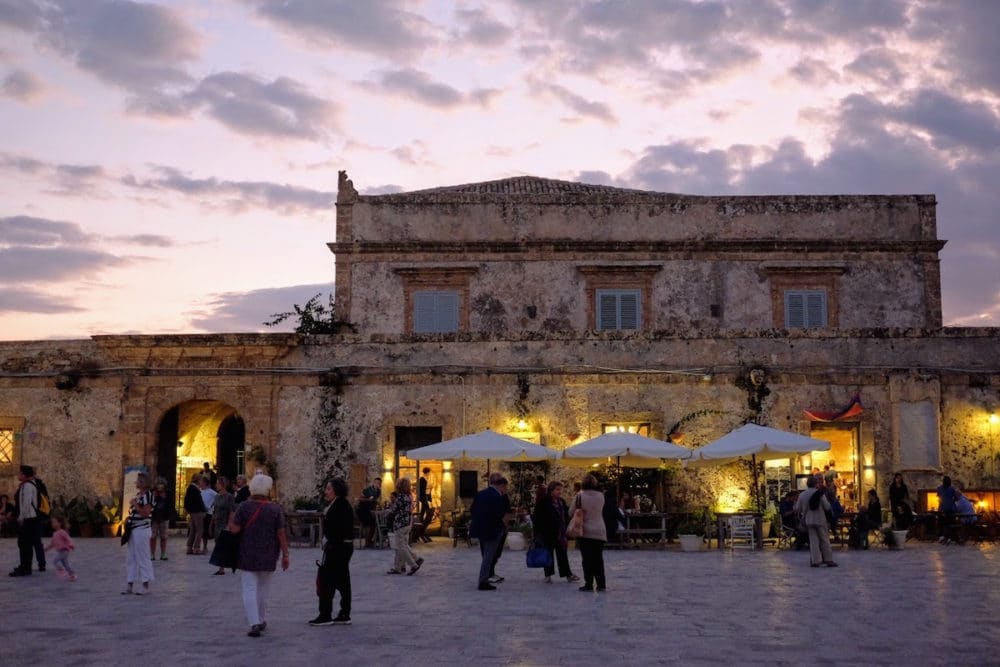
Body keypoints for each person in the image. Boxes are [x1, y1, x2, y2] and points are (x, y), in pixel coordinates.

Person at [228, 474, 289, 638]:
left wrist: (231, 519)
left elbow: (234, 529)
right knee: (263, 589)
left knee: (249, 588)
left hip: (248, 553)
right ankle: (261, 619)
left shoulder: (244, 507)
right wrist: (285, 555)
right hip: (269, 554)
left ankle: (254, 622)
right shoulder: (275, 509)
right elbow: (281, 533)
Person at [310, 478, 355, 626]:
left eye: (329, 489)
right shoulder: (339, 504)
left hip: (337, 548)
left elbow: (336, 529)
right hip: (341, 547)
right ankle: (344, 613)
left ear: (336, 490)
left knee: (326, 580)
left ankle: (325, 614)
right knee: (342, 580)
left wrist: (328, 542)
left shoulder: (340, 505)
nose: (326, 491)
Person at [532, 481, 579, 584]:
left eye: (560, 489)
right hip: (548, 532)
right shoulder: (544, 501)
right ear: (551, 490)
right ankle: (548, 575)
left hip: (560, 533)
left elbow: (566, 514)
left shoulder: (561, 501)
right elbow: (537, 517)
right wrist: (538, 532)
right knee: (548, 554)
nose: (559, 492)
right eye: (557, 489)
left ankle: (567, 574)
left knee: (562, 554)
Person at [470, 474, 508, 590]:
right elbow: (499, 514)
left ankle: (484, 579)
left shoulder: (480, 494)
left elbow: (472, 510)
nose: (505, 491)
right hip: (493, 530)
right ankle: (483, 581)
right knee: (489, 557)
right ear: (501, 486)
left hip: (481, 529)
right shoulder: (497, 497)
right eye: (505, 488)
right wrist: (502, 527)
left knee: (486, 555)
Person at [574, 474, 608, 592]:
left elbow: (571, 511)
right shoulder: (601, 496)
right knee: (598, 558)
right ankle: (601, 584)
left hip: (585, 531)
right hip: (600, 529)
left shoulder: (579, 496)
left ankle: (588, 583)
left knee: (587, 559)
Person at [122, 471, 154, 595]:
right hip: (133, 530)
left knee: (143, 556)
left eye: (138, 480)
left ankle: (145, 585)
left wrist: (135, 504)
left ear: (142, 483)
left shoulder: (148, 496)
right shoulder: (139, 495)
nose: (135, 482)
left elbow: (145, 513)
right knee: (131, 557)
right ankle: (130, 583)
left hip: (142, 529)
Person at [794, 476, 837, 567]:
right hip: (820, 519)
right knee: (824, 540)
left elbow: (797, 508)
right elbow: (827, 506)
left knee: (813, 541)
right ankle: (828, 559)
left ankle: (815, 561)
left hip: (809, 520)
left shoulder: (802, 495)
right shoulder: (820, 493)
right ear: (816, 484)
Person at [9, 465, 44, 576]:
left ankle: (25, 568)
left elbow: (26, 503)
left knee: (25, 544)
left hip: (29, 518)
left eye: (20, 473)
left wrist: (21, 518)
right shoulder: (26, 485)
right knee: (24, 543)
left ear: (24, 474)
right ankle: (24, 565)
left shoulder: (28, 486)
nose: (18, 475)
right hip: (28, 518)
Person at [385, 477, 421, 576]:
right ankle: (400, 566)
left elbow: (393, 510)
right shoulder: (410, 496)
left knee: (400, 547)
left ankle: (413, 564)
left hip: (400, 524)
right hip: (407, 523)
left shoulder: (400, 497)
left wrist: (387, 511)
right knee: (403, 545)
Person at [488, 475, 513, 584]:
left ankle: (491, 572)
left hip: (501, 528)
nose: (506, 489)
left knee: (497, 552)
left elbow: (507, 511)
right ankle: (489, 574)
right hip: (497, 527)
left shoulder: (503, 496)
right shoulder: (495, 496)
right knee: (492, 552)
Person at [210, 476, 235, 575]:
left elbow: (232, 511)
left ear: (223, 485)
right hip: (217, 523)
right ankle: (221, 566)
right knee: (218, 544)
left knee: (223, 545)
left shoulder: (229, 497)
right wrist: (211, 523)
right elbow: (214, 510)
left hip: (225, 523)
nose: (216, 485)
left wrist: (229, 524)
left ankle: (223, 567)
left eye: (218, 483)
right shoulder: (216, 496)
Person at [45, 515, 75, 581]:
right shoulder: (54, 534)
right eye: (52, 522)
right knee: (66, 564)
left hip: (65, 551)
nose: (53, 524)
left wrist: (71, 545)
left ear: (60, 523)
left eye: (54, 522)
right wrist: (47, 548)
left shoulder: (62, 532)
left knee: (55, 561)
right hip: (60, 551)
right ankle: (72, 575)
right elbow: (52, 543)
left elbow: (68, 539)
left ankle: (61, 570)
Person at [184, 474, 207, 555]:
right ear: (197, 480)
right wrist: (203, 510)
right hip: (197, 512)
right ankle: (196, 548)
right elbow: (199, 502)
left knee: (193, 530)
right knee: (200, 530)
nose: (202, 482)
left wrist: (188, 510)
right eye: (201, 480)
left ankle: (189, 547)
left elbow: (186, 501)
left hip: (192, 512)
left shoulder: (190, 488)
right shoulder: (194, 489)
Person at [149, 479, 172, 560]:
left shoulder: (168, 493)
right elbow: (149, 504)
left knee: (164, 537)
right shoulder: (152, 492)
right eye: (158, 484)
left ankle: (163, 554)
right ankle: (152, 554)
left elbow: (170, 505)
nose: (160, 486)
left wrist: (164, 498)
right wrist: (153, 496)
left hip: (164, 517)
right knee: (152, 537)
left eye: (161, 484)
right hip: (154, 518)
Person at [356, 477, 382, 547]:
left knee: (374, 524)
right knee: (369, 524)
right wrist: (368, 500)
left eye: (379, 483)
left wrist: (376, 505)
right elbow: (360, 498)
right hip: (362, 509)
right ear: (373, 482)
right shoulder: (367, 490)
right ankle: (367, 542)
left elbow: (374, 501)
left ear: (380, 484)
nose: (377, 484)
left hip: (369, 510)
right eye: (376, 482)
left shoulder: (378, 491)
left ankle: (369, 541)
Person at [936, 475, 958, 542]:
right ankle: (949, 537)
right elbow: (956, 498)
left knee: (941, 523)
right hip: (951, 509)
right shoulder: (952, 489)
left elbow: (938, 497)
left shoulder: (939, 488)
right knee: (950, 523)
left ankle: (941, 536)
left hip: (942, 509)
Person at [199, 475, 218, 553]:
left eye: (201, 481)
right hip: (200, 513)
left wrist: (211, 506)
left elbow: (218, 498)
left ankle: (205, 546)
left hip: (208, 513)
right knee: (200, 530)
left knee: (205, 530)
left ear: (205, 483)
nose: (200, 483)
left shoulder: (211, 491)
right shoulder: (199, 491)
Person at [417, 467, 434, 543]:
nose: (429, 474)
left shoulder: (424, 479)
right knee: (428, 513)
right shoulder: (422, 479)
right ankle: (421, 530)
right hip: (423, 498)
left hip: (424, 498)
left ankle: (422, 530)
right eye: (429, 472)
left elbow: (425, 490)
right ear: (427, 472)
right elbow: (422, 491)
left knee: (424, 512)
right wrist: (425, 498)